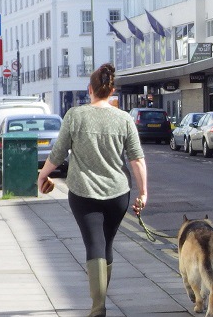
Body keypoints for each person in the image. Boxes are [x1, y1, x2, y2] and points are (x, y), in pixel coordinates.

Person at [37, 63, 147, 317]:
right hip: (118, 193)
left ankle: (98, 307)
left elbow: (58, 153)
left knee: (94, 243)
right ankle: (100, 300)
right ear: (112, 91)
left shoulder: (75, 115)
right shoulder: (124, 119)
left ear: (90, 89)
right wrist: (143, 193)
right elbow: (137, 159)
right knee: (106, 242)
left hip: (83, 193)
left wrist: (42, 175)